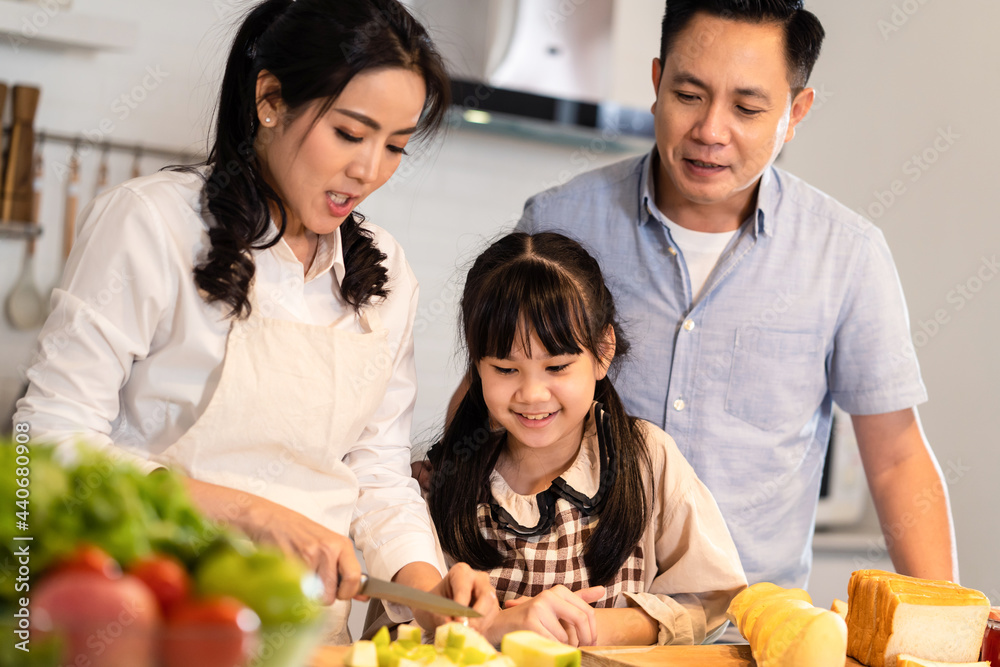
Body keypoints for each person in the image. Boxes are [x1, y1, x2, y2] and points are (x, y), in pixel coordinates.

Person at [13, 0, 495, 643]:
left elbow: (377, 473)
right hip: (147, 622)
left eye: (396, 146)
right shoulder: (152, 224)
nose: (370, 170)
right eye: (350, 134)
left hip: (307, 639)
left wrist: (431, 593)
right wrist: (250, 513)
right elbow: (45, 440)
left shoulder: (386, 273)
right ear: (269, 99)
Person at [511, 0, 958, 608]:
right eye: (689, 95)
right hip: (580, 620)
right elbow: (493, 405)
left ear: (795, 113)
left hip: (750, 634)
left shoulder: (845, 254)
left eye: (747, 108)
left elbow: (897, 460)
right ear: (656, 82)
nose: (710, 131)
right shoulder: (558, 223)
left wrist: (947, 629)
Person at [425, 232, 747, 647]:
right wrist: (489, 628)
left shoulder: (648, 457)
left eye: (557, 367)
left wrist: (590, 629)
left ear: (602, 351)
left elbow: (710, 600)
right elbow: (399, 627)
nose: (532, 394)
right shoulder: (444, 478)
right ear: (477, 365)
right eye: (506, 370)